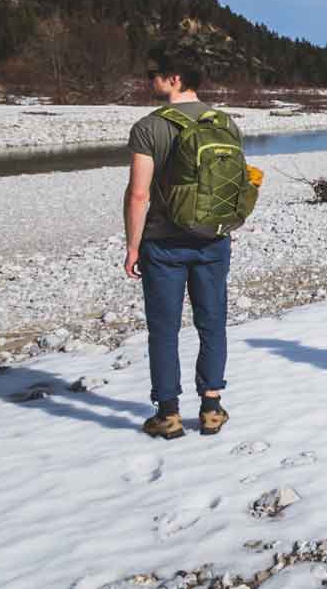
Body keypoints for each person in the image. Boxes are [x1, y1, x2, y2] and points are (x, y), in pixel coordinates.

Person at [123, 48, 239, 440]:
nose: (148, 80)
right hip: (213, 239)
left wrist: (132, 245)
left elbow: (138, 195)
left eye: (154, 74)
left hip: (164, 243)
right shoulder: (224, 122)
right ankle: (211, 408)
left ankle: (169, 414)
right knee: (212, 325)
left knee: (164, 329)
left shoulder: (148, 127)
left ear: (175, 78)